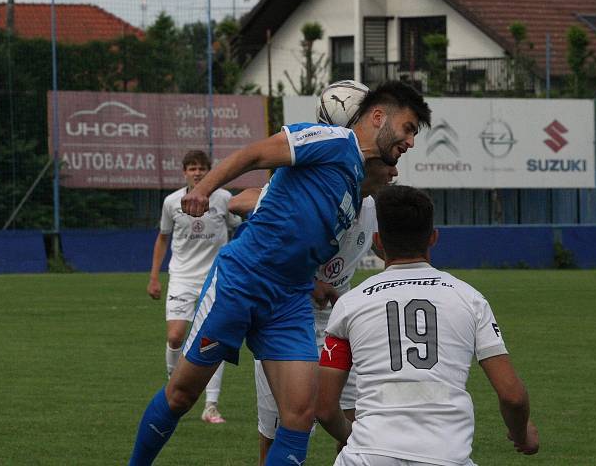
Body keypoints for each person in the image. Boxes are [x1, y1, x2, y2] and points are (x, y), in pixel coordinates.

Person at [128, 81, 431, 466]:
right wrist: (203, 188)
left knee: (300, 417)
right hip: (243, 280)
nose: (409, 142)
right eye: (407, 128)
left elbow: (304, 236)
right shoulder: (332, 140)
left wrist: (319, 282)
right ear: (377, 117)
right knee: (181, 396)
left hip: (289, 301)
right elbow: (254, 154)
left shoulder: (354, 188)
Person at [316, 185, 540, 466]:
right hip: (445, 458)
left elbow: (324, 408)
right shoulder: (469, 298)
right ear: (433, 237)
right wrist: (521, 434)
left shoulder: (350, 304)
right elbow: (513, 396)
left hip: (368, 456)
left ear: (378, 241)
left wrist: (353, 438)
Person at [235, 157, 398, 465]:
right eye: (388, 164)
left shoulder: (373, 210)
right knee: (283, 432)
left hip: (340, 326)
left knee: (357, 430)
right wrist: (310, 282)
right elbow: (264, 247)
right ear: (365, 167)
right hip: (286, 319)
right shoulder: (314, 201)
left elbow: (394, 250)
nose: (395, 171)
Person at [146, 149, 240, 424]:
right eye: (192, 168)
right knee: (175, 337)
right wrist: (154, 276)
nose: (197, 172)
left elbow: (240, 226)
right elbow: (163, 238)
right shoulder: (171, 202)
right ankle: (174, 389)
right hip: (182, 278)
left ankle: (210, 406)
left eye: (202, 168)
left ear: (209, 171)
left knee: (213, 340)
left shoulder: (223, 199)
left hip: (216, 278)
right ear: (184, 172)